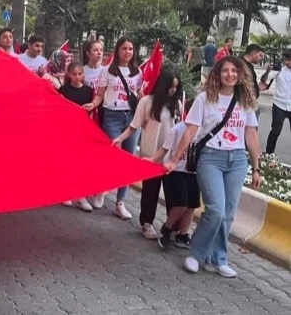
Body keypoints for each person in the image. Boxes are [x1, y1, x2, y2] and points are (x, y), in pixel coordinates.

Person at [165, 56, 261, 277]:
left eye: (234, 71)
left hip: (237, 160)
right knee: (216, 210)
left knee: (227, 214)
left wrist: (256, 168)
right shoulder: (204, 99)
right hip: (210, 158)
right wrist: (174, 158)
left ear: (240, 74)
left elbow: (251, 135)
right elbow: (190, 131)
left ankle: (217, 259)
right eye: (225, 70)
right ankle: (196, 255)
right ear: (217, 74)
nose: (230, 74)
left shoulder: (246, 100)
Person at [111, 69, 181, 238]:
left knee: (174, 194)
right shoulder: (146, 102)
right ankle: (146, 224)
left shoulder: (176, 105)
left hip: (170, 157)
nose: (172, 90)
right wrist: (120, 138)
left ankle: (172, 227)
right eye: (170, 87)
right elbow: (134, 126)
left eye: (175, 88)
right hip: (150, 155)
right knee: (150, 193)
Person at [91, 37, 143, 220]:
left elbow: (138, 95)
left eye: (130, 49)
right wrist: (92, 104)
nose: (128, 52)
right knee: (111, 156)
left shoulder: (138, 72)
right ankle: (102, 188)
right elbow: (100, 95)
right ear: (117, 50)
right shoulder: (107, 71)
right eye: (124, 48)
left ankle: (120, 202)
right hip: (112, 116)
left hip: (132, 118)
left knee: (128, 160)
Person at [150, 98, 198, 250]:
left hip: (193, 171)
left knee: (191, 205)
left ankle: (182, 235)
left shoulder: (204, 130)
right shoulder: (177, 129)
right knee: (181, 204)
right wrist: (152, 159)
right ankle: (167, 227)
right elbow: (165, 148)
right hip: (176, 171)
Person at [58, 62, 95, 211]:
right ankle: (65, 192)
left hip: (83, 130)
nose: (77, 77)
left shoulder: (89, 91)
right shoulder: (63, 89)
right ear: (69, 75)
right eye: (74, 74)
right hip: (67, 129)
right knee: (67, 160)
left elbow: (92, 111)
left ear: (84, 75)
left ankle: (81, 196)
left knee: (81, 162)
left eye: (80, 74)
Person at [265, 49, 291, 155]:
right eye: (286, 59)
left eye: (289, 60)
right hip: (279, 105)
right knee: (275, 131)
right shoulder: (279, 70)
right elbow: (264, 81)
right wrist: (267, 71)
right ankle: (269, 153)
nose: (287, 62)